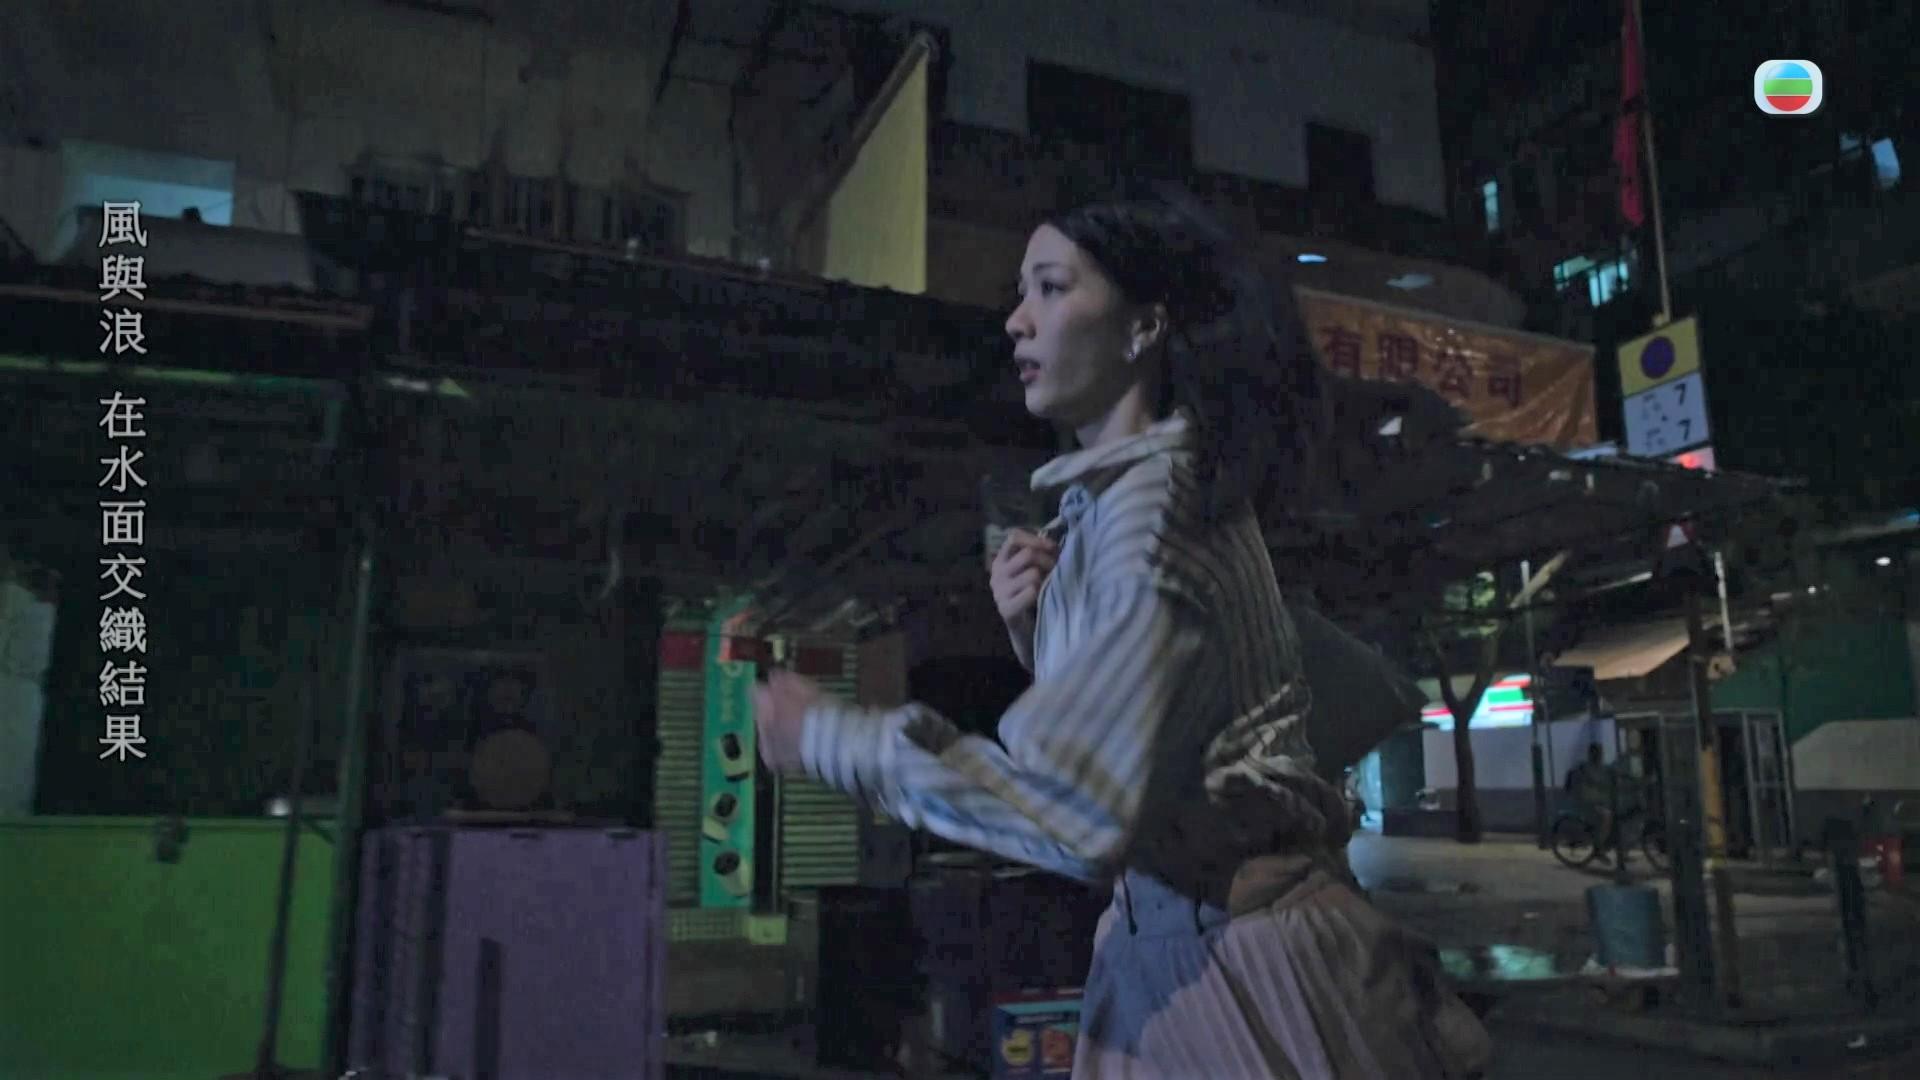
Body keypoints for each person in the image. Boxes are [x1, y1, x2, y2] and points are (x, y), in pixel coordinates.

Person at [754, 189, 1491, 1078]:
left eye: (1051, 288)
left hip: (1243, 969)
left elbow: (1079, 810)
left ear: (1143, 328)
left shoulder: (1151, 519)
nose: (1017, 321)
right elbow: (1152, 729)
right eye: (1021, 292)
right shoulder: (1112, 507)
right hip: (1179, 945)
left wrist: (830, 737)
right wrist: (1037, 628)